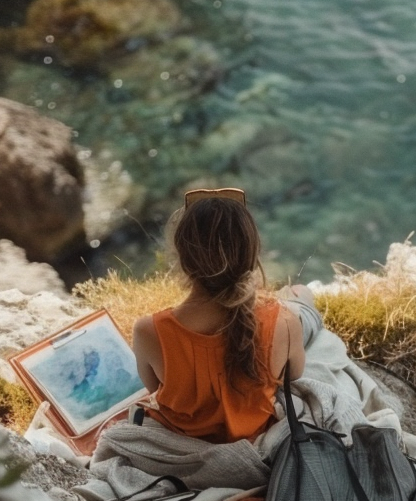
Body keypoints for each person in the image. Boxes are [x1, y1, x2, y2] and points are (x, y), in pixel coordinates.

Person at [131, 188, 322, 443]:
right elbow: (295, 373)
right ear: (251, 255)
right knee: (301, 296)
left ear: (182, 258)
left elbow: (155, 389)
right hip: (253, 437)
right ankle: (300, 297)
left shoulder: (149, 331)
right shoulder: (284, 321)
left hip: (186, 440)